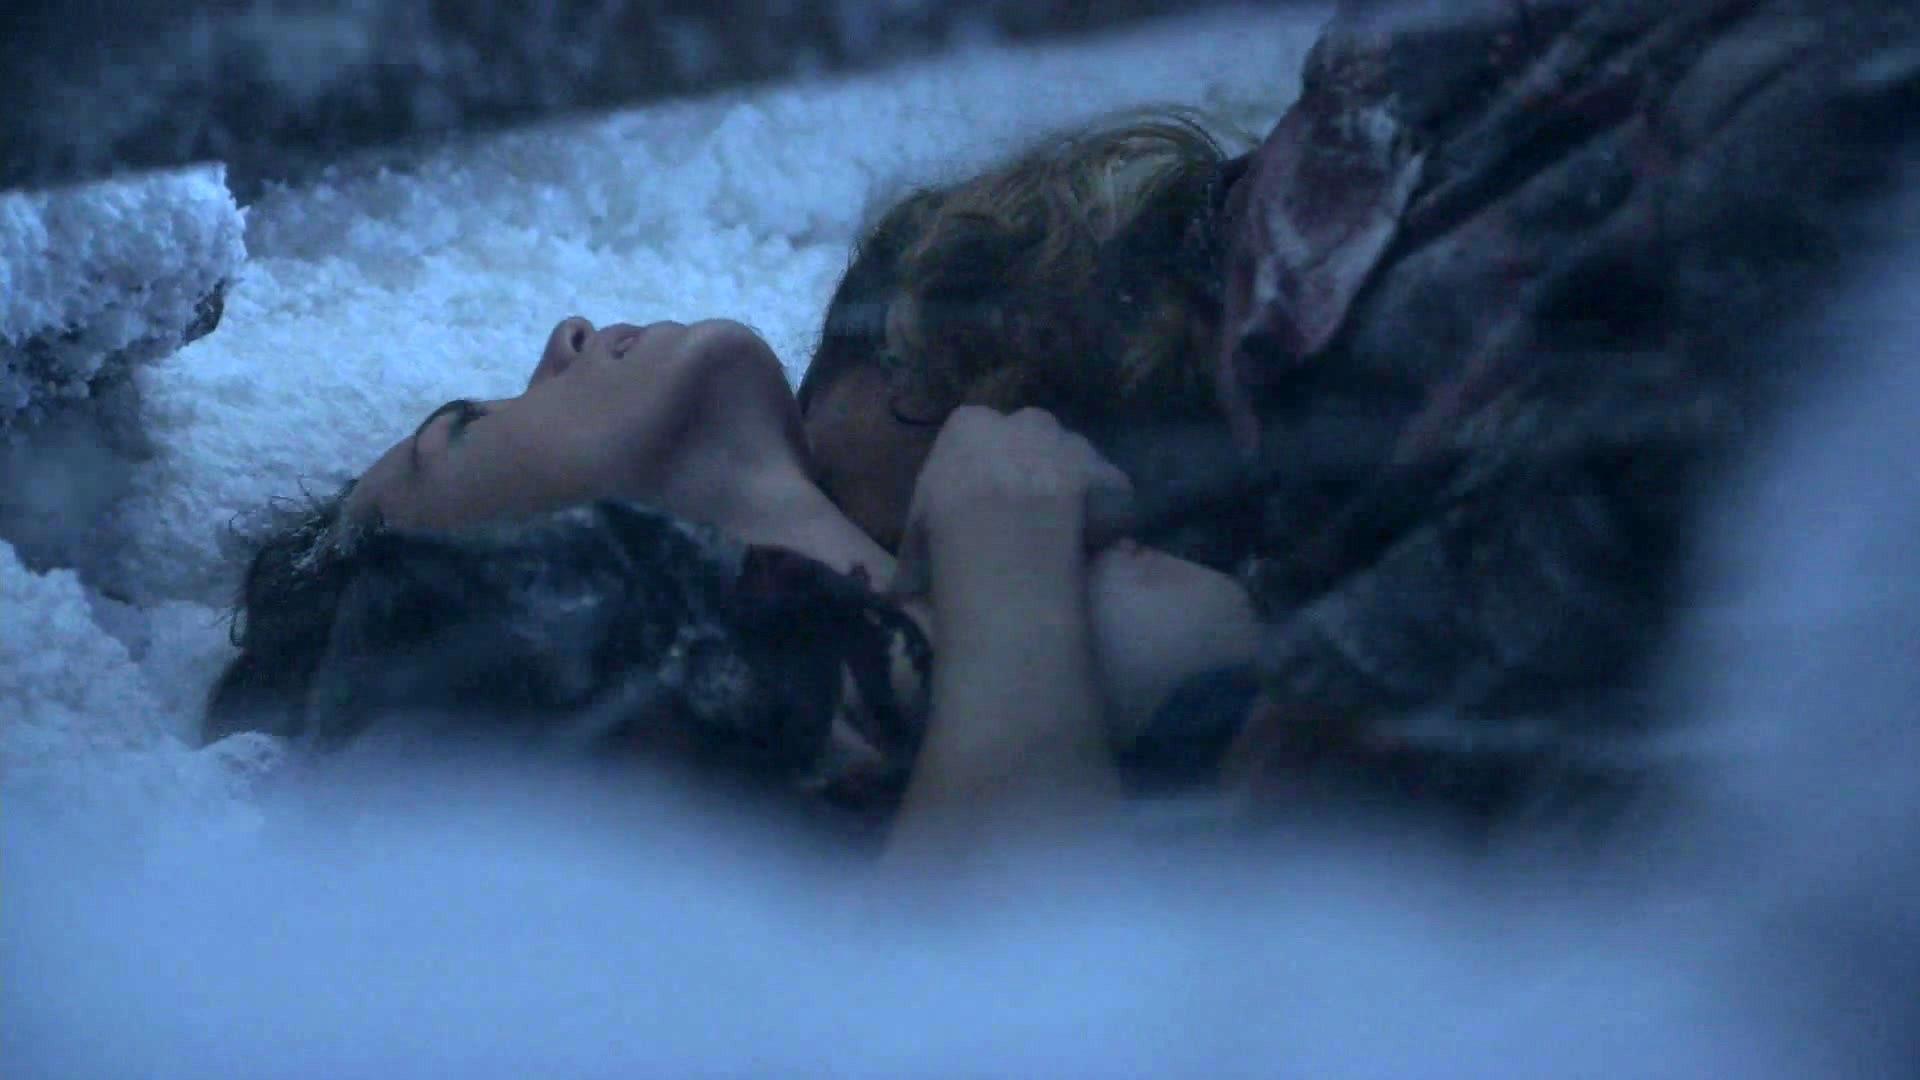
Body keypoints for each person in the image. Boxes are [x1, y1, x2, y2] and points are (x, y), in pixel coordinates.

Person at [799, 0, 1920, 825]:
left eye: (923, 387)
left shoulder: (1355, 157)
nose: (986, 466)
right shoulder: (1333, 589)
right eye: (922, 555)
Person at [206, 314, 1261, 849]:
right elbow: (993, 1005)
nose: (565, 333)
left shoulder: (951, 421)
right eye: (465, 427)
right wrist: (1011, 562)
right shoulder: (998, 539)